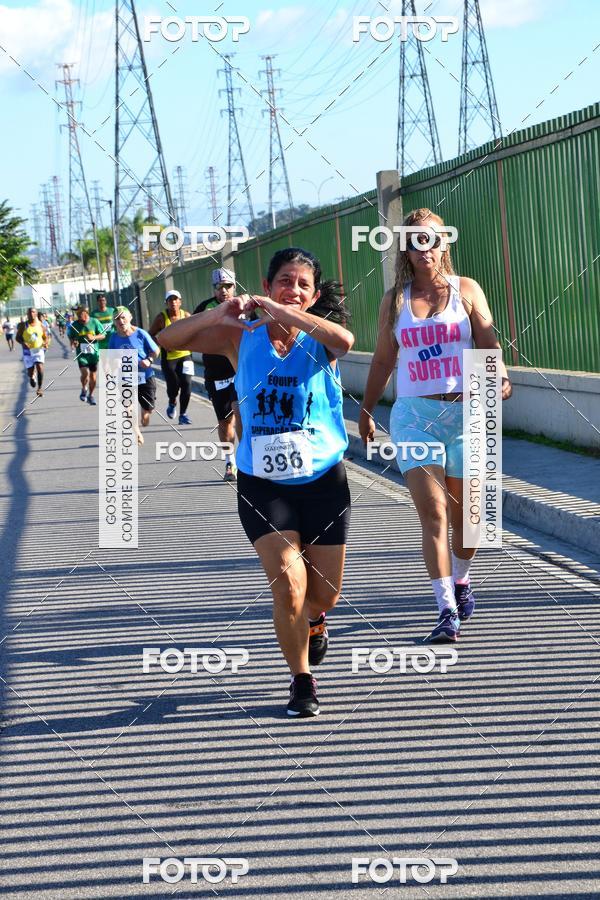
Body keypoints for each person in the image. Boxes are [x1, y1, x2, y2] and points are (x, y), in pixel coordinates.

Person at [158, 247, 354, 718]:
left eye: (303, 284)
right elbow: (167, 338)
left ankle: (316, 618)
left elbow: (346, 341)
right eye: (285, 281)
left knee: (323, 594)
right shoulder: (241, 336)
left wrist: (289, 315)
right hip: (263, 482)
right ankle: (301, 680)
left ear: (314, 295)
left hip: (323, 479)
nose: (294, 289)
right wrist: (222, 312)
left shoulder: (319, 336)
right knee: (288, 584)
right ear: (266, 286)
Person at [359, 208, 512, 644]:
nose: (423, 248)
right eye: (414, 241)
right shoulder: (395, 300)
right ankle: (446, 610)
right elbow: (383, 359)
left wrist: (500, 377)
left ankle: (461, 579)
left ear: (444, 244)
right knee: (434, 513)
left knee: (472, 522)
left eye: (430, 239)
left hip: (468, 415)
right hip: (415, 417)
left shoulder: (467, 290)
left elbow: (487, 342)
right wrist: (366, 410)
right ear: (405, 250)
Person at [194, 268, 240, 481]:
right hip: (216, 375)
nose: (224, 291)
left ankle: (247, 461)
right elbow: (191, 332)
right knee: (225, 422)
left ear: (234, 287)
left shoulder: (244, 306)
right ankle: (230, 461)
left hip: (240, 371)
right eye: (219, 287)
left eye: (228, 286)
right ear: (214, 289)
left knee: (241, 414)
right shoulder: (204, 308)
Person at [108, 306, 159, 445]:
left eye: (123, 317)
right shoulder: (113, 338)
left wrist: (149, 360)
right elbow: (110, 357)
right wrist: (115, 361)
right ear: (114, 322)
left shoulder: (141, 334)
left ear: (130, 317)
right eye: (117, 319)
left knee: (147, 412)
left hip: (145, 376)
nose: (121, 321)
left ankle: (145, 413)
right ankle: (136, 432)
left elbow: (155, 351)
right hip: (125, 377)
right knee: (127, 407)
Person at [149, 290, 193, 425]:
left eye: (175, 299)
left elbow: (195, 332)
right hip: (169, 358)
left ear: (180, 302)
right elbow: (150, 335)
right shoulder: (161, 318)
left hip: (185, 356)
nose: (173, 302)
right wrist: (163, 343)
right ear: (166, 303)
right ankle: (172, 401)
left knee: (187, 384)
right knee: (173, 385)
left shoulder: (186, 316)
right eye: (170, 300)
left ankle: (183, 414)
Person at [67, 306, 104, 405]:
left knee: (93, 376)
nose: (79, 317)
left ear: (86, 313)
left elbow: (103, 335)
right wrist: (74, 342)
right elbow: (71, 336)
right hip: (82, 354)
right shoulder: (75, 325)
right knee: (85, 373)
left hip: (93, 354)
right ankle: (84, 388)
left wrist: (94, 337)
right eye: (78, 315)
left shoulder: (94, 322)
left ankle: (90, 395)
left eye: (81, 315)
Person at [15, 307, 48, 397]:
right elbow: (17, 338)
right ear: (27, 314)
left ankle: (40, 388)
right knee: (30, 371)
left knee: (40, 367)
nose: (31, 314)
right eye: (29, 313)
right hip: (27, 351)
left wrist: (45, 343)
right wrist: (23, 343)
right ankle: (32, 376)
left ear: (36, 314)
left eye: (33, 312)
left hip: (38, 349)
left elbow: (45, 337)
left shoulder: (41, 325)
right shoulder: (23, 325)